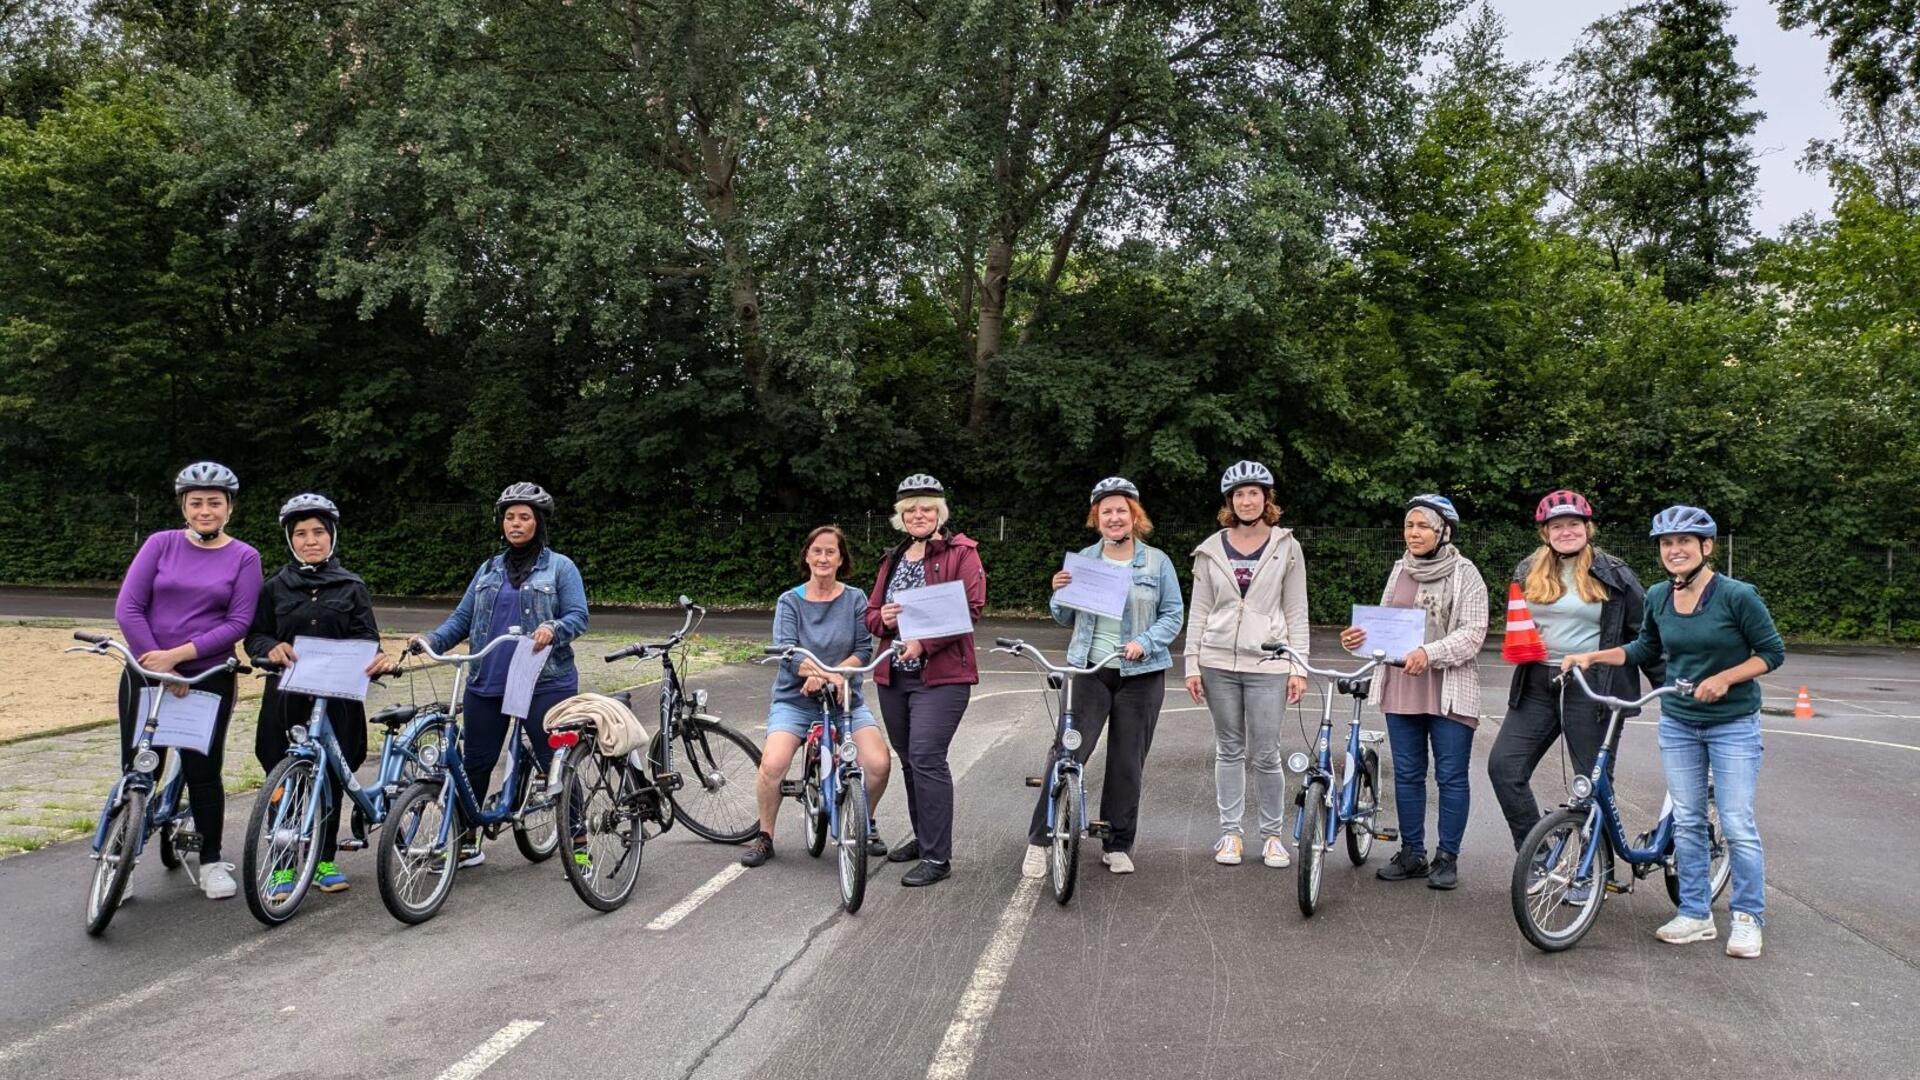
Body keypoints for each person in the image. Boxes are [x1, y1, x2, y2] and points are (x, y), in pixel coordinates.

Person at [1563, 505, 1783, 958]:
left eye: (1684, 542)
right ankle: (1696, 913)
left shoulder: (1737, 595)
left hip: (1733, 724)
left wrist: (1725, 678)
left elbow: (1771, 652)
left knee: (1737, 822)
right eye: (1667, 543)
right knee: (1686, 820)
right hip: (1680, 721)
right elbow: (1645, 647)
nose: (1675, 550)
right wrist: (1592, 656)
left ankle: (1747, 917)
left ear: (1706, 547)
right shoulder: (1661, 595)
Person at [417, 482, 589, 867]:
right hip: (489, 677)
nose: (516, 523)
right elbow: (462, 619)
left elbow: (578, 616)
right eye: (510, 517)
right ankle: (467, 840)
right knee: (475, 761)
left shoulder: (560, 567)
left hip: (543, 679)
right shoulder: (488, 569)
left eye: (524, 517)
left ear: (538, 522)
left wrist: (553, 629)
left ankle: (577, 840)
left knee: (554, 762)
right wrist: (430, 641)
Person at [113, 462, 263, 900]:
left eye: (214, 503)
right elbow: (129, 608)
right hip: (147, 672)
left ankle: (211, 858)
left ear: (229, 509)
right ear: (184, 506)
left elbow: (238, 622)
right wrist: (160, 666)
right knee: (140, 767)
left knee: (203, 771)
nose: (205, 510)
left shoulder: (245, 557)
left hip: (209, 675)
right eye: (196, 502)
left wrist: (180, 658)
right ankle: (122, 859)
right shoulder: (160, 544)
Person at [1023, 477, 1184, 878]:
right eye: (1107, 511)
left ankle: (1117, 842)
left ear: (1135, 517)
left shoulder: (1157, 562)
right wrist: (1058, 591)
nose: (1115, 517)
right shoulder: (1084, 559)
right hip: (1089, 671)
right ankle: (1040, 840)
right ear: (1097, 519)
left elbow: (1174, 615)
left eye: (1122, 510)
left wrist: (1145, 642)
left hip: (1141, 674)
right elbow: (1064, 616)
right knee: (1067, 753)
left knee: (1127, 762)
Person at [1489, 490, 1662, 853]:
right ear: (1545, 532)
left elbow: (1645, 635)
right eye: (1557, 526)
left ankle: (1593, 870)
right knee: (1504, 768)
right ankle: (1537, 853)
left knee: (1592, 782)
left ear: (1588, 527)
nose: (1566, 531)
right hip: (1537, 683)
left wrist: (1668, 687)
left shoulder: (1613, 572)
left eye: (1574, 524)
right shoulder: (1527, 570)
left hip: (1592, 685)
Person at [246, 494, 394, 895]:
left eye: (318, 532)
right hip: (287, 696)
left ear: (332, 536)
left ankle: (324, 858)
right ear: (290, 540)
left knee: (330, 778)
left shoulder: (352, 586)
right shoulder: (274, 586)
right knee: (285, 777)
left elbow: (366, 635)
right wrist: (268, 649)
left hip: (338, 696)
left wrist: (376, 655)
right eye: (301, 534)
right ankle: (282, 865)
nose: (310, 540)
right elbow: (256, 634)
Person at [1341, 494, 1487, 891]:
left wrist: (1430, 652)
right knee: (1407, 774)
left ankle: (1447, 857)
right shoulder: (1399, 569)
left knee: (1451, 776)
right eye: (1409, 525)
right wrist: (1358, 638)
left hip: (1448, 689)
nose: (1414, 533)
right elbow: (1389, 624)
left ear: (1443, 531)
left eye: (1423, 525)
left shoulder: (1465, 573)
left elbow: (1473, 633)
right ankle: (1412, 853)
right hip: (1404, 686)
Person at [1183, 460, 1308, 870]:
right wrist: (1191, 664)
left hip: (1269, 663)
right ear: (1230, 502)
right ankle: (1231, 833)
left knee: (1268, 753)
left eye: (1254, 493)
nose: (1247, 500)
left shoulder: (1287, 547)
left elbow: (1296, 609)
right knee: (1229, 749)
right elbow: (1198, 610)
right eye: (1239, 494)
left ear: (1266, 499)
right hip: (1217, 661)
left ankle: (1272, 837)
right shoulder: (1210, 549)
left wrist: (1298, 666)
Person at [742, 525, 892, 867]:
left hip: (844, 702)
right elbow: (787, 652)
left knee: (879, 763)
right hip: (795, 700)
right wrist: (820, 674)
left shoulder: (855, 599)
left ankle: (864, 821)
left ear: (841, 560)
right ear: (807, 556)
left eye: (831, 552)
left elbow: (863, 649)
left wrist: (835, 677)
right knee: (772, 765)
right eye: (817, 551)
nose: (823, 558)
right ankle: (765, 835)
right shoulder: (789, 601)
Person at [865, 475, 986, 887]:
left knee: (927, 757)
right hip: (893, 676)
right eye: (911, 509)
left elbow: (970, 610)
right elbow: (871, 613)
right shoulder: (893, 557)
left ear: (940, 513)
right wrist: (881, 619)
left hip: (941, 677)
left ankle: (938, 857)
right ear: (901, 516)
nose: (919, 514)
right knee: (910, 761)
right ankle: (924, 837)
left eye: (927, 507)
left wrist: (924, 643)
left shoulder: (961, 553)